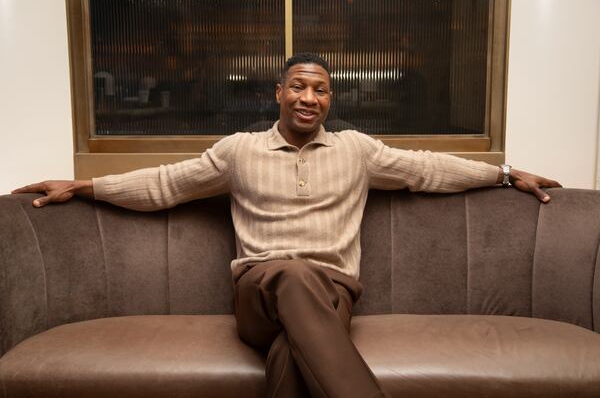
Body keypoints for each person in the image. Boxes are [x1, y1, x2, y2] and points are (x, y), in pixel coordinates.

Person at [12, 53, 561, 398]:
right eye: (298, 86)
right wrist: (86, 186)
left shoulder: (357, 151)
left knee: (292, 358)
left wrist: (506, 174)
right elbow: (166, 184)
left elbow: (427, 167)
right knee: (292, 273)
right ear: (279, 93)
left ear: (329, 99)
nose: (309, 97)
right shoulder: (239, 151)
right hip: (258, 291)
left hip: (334, 294)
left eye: (320, 89)